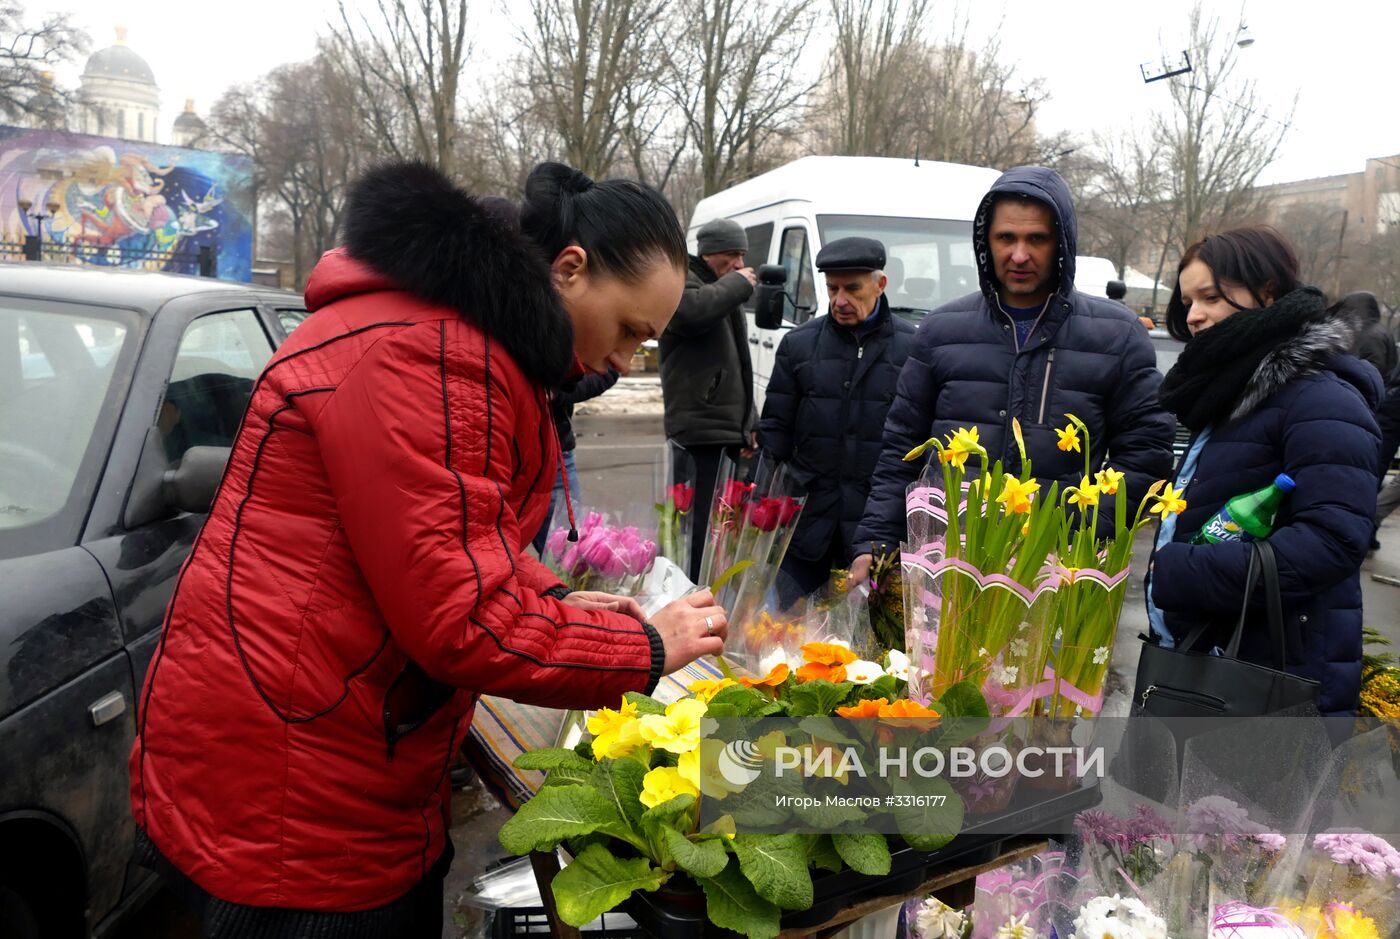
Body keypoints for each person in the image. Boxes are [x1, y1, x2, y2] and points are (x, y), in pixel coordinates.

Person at [129, 161, 729, 936]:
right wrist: (646, 644)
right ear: (571, 269)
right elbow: (461, 619)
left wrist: (551, 600)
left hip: (313, 754)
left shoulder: (450, 335)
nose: (624, 361)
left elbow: (450, 539)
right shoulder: (433, 354)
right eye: (628, 331)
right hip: (301, 800)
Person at [850, 166, 1175, 583]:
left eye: (1036, 239)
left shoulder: (1117, 335)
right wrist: (876, 542)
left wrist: (1063, 533)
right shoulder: (941, 331)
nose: (1019, 255)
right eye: (1006, 238)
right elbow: (901, 451)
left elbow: (1147, 457)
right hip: (946, 569)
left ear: (1062, 243)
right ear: (987, 241)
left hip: (1057, 577)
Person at [1147, 227, 1381, 716]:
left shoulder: (1319, 398)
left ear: (1269, 291)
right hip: (1200, 663)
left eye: (1210, 297)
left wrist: (1179, 571)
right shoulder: (1232, 394)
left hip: (1266, 680)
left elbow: (1333, 540)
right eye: (1188, 300)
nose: (1193, 316)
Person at [758, 237, 915, 607]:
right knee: (783, 638)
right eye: (832, 288)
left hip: (874, 535)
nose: (840, 300)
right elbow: (774, 436)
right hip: (806, 531)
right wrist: (762, 513)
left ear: (880, 284)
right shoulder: (799, 346)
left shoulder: (913, 350)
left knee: (870, 653)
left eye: (852, 288)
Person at [659, 217, 758, 580]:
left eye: (742, 256)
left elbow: (739, 365)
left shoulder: (719, 288)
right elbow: (688, 313)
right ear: (709, 253)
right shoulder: (683, 279)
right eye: (731, 255)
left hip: (722, 430)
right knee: (693, 527)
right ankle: (686, 587)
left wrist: (749, 421)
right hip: (697, 430)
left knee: (719, 525)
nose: (738, 264)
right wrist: (736, 284)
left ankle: (708, 585)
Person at [532, 368, 619, 554]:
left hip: (554, 454)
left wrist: (558, 390)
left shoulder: (568, 344)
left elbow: (610, 370)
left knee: (566, 557)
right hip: (493, 454)